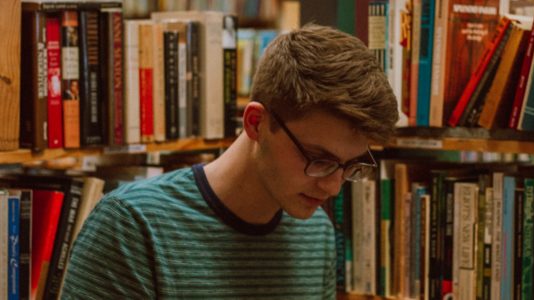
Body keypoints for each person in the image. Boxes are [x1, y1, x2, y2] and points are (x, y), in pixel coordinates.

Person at [61, 24, 398, 298]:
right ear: (256, 123)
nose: (332, 186)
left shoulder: (314, 233)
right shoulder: (132, 226)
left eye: (349, 166)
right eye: (318, 159)